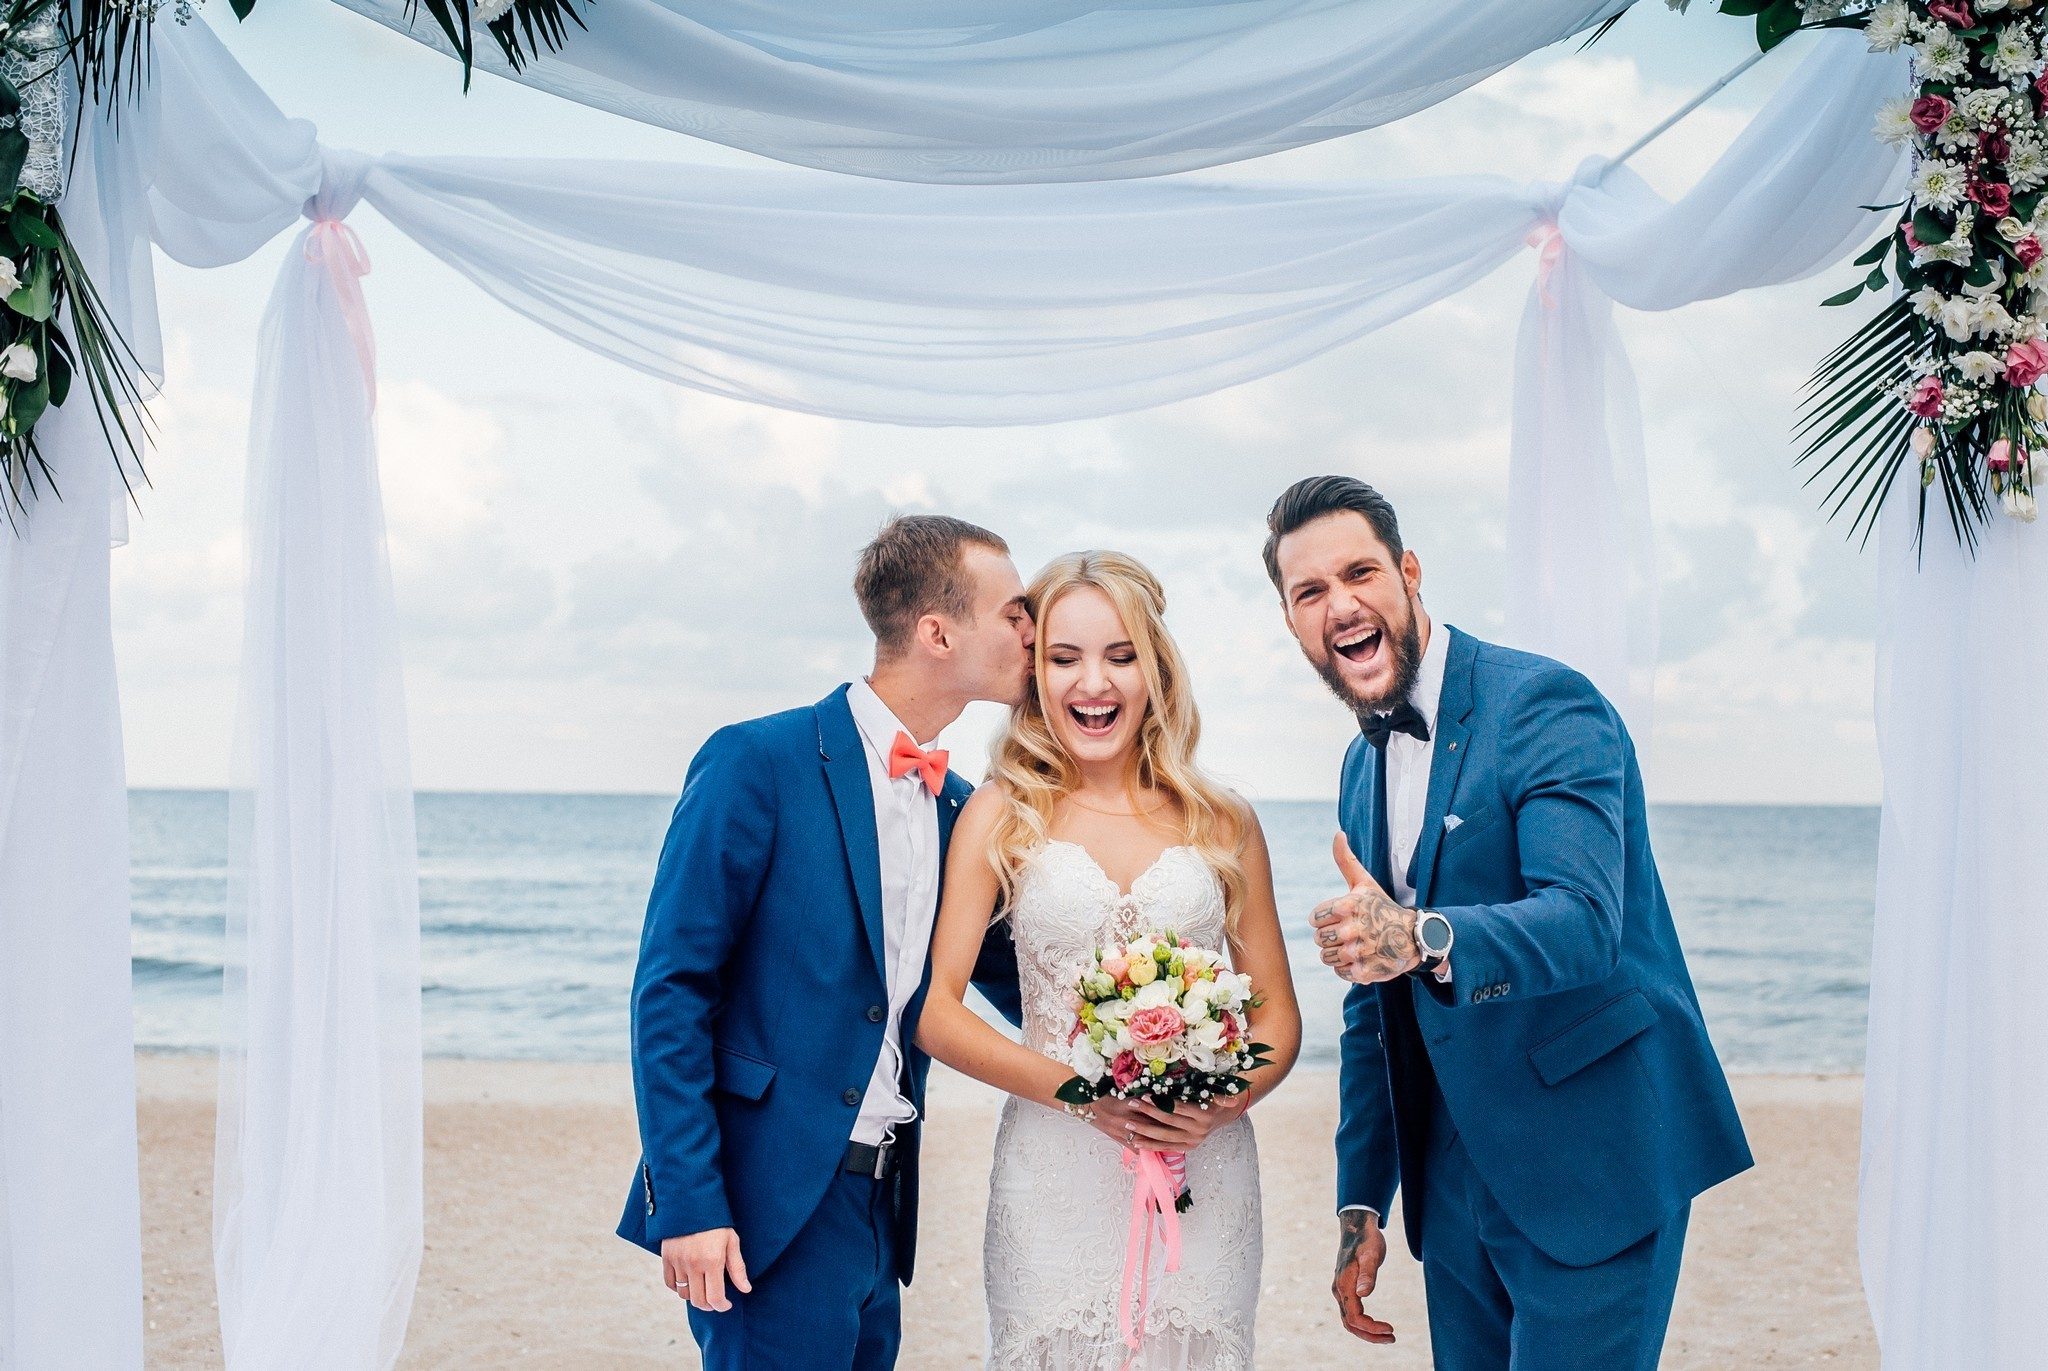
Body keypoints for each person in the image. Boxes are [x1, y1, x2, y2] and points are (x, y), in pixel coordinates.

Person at [1264, 476, 1753, 1371]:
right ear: (1294, 624)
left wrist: (1421, 936)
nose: (1340, 605)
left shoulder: (1543, 703)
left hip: (1592, 1158)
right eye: (1309, 592)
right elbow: (1374, 1005)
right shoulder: (1356, 768)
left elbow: (1584, 919)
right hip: (1449, 1185)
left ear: (1410, 573)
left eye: (1359, 572)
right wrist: (1362, 1202)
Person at [618, 514, 1033, 1371]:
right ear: (938, 632)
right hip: (765, 1205)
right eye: (1016, 614)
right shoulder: (755, 762)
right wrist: (690, 1203)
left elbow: (1030, 983)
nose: (1034, 632)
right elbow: (670, 989)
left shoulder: (960, 806)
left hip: (883, 1203)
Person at [917, 549, 1303, 1371]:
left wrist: (1226, 1100)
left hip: (1206, 1168)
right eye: (1065, 658)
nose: (1095, 682)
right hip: (1053, 1172)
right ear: (1037, 672)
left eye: (1121, 655)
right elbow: (938, 1012)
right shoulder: (998, 814)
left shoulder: (1223, 820)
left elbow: (1277, 1013)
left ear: (1155, 668)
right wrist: (1081, 1095)